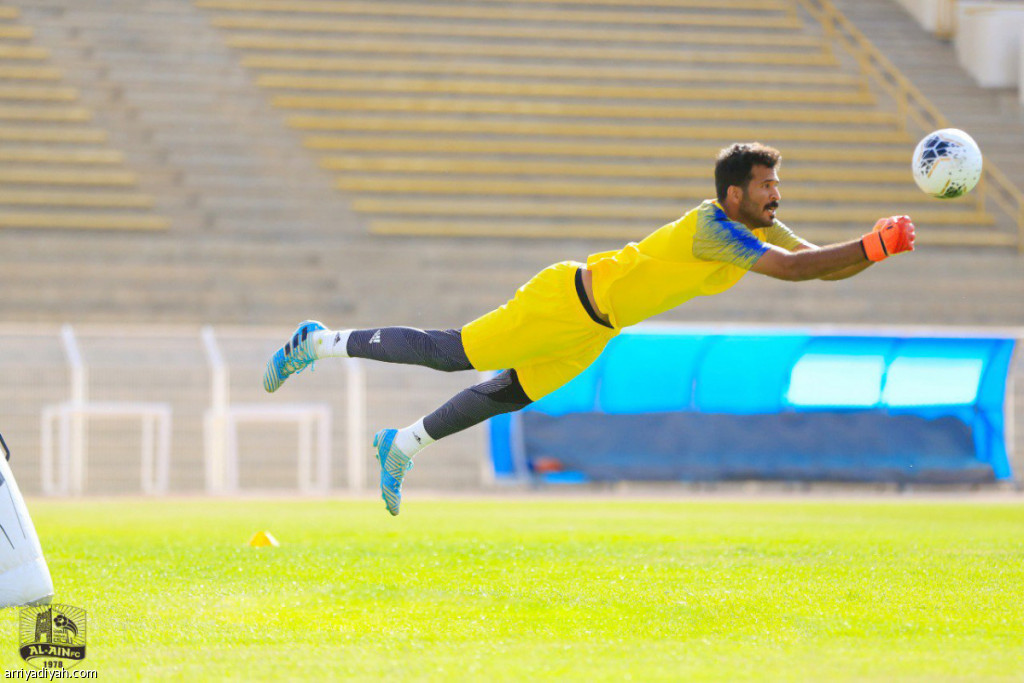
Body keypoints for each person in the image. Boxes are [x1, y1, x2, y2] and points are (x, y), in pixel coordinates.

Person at [262, 142, 915, 515]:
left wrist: (873, 250)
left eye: (778, 185)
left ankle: (400, 444)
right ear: (734, 194)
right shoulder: (714, 229)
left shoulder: (756, 226)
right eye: (767, 185)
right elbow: (797, 270)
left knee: (511, 392)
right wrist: (873, 244)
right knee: (452, 353)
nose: (777, 194)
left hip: (597, 327)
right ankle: (317, 341)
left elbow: (818, 267)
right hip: (565, 300)